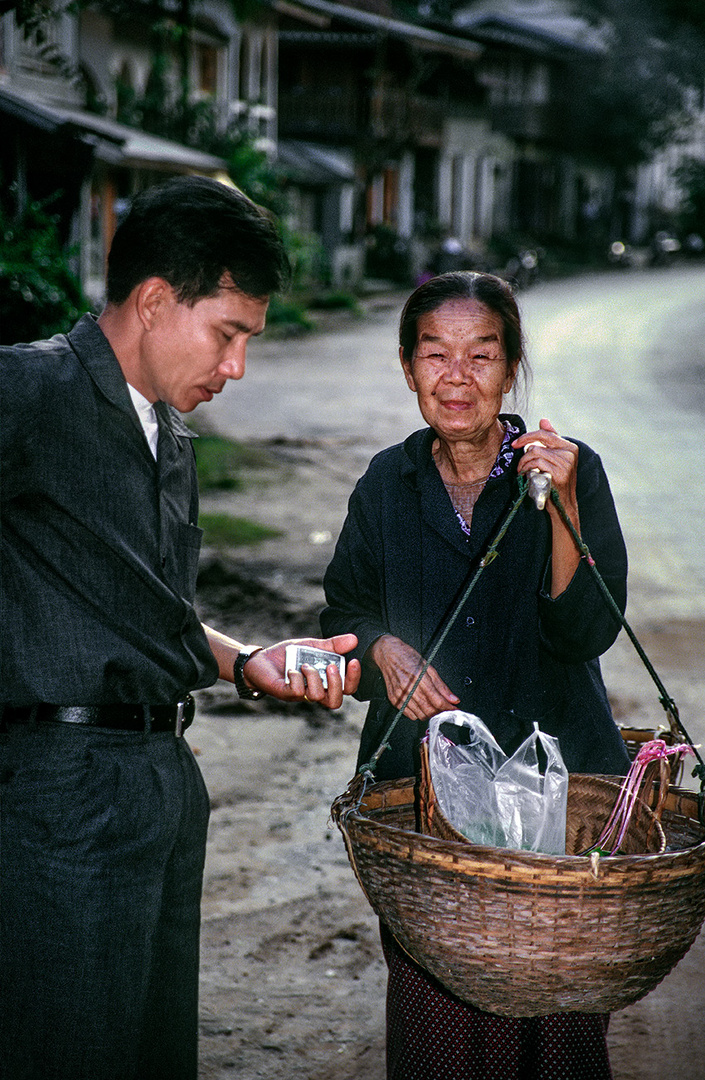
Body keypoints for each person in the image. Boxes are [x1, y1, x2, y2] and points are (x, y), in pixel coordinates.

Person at [0, 175, 360, 1080]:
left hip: (163, 782)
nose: (236, 367)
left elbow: (147, 611)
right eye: (227, 333)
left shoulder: (168, 435)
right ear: (155, 301)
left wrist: (249, 666)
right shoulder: (33, 388)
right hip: (59, 794)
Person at [321, 270, 630, 1079]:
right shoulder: (386, 485)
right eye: (434, 355)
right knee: (438, 1026)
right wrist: (380, 649)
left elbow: (586, 629)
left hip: (554, 803)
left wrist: (559, 503)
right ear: (406, 366)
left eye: (480, 356)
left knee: (555, 1017)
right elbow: (343, 617)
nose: (455, 377)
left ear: (511, 365)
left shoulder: (568, 469)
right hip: (425, 804)